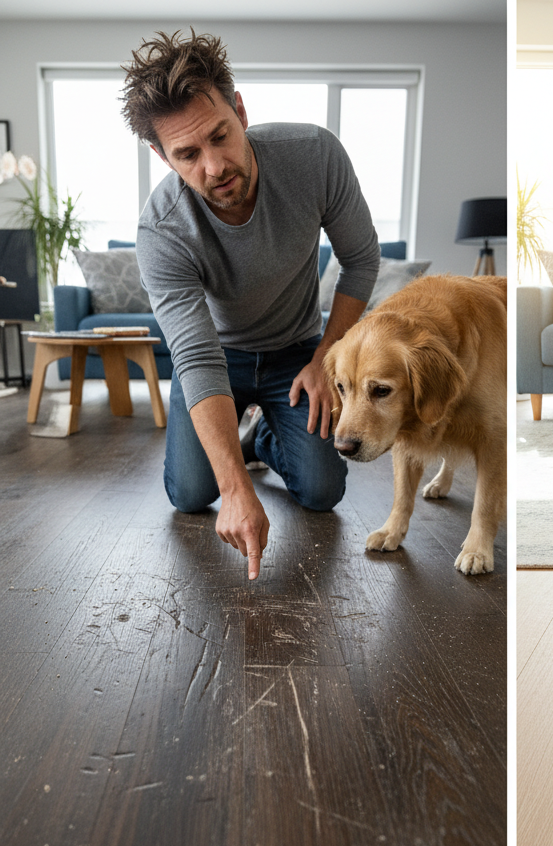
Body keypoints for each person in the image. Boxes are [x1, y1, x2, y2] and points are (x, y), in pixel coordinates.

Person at [122, 29, 380, 580]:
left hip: (298, 351)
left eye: (220, 136)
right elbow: (194, 356)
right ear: (161, 156)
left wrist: (325, 359)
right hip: (215, 358)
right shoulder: (162, 228)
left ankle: (262, 434)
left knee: (321, 491)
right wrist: (235, 490)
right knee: (191, 494)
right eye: (187, 154)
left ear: (240, 110)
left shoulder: (314, 155)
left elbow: (360, 260)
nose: (214, 167)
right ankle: (239, 439)